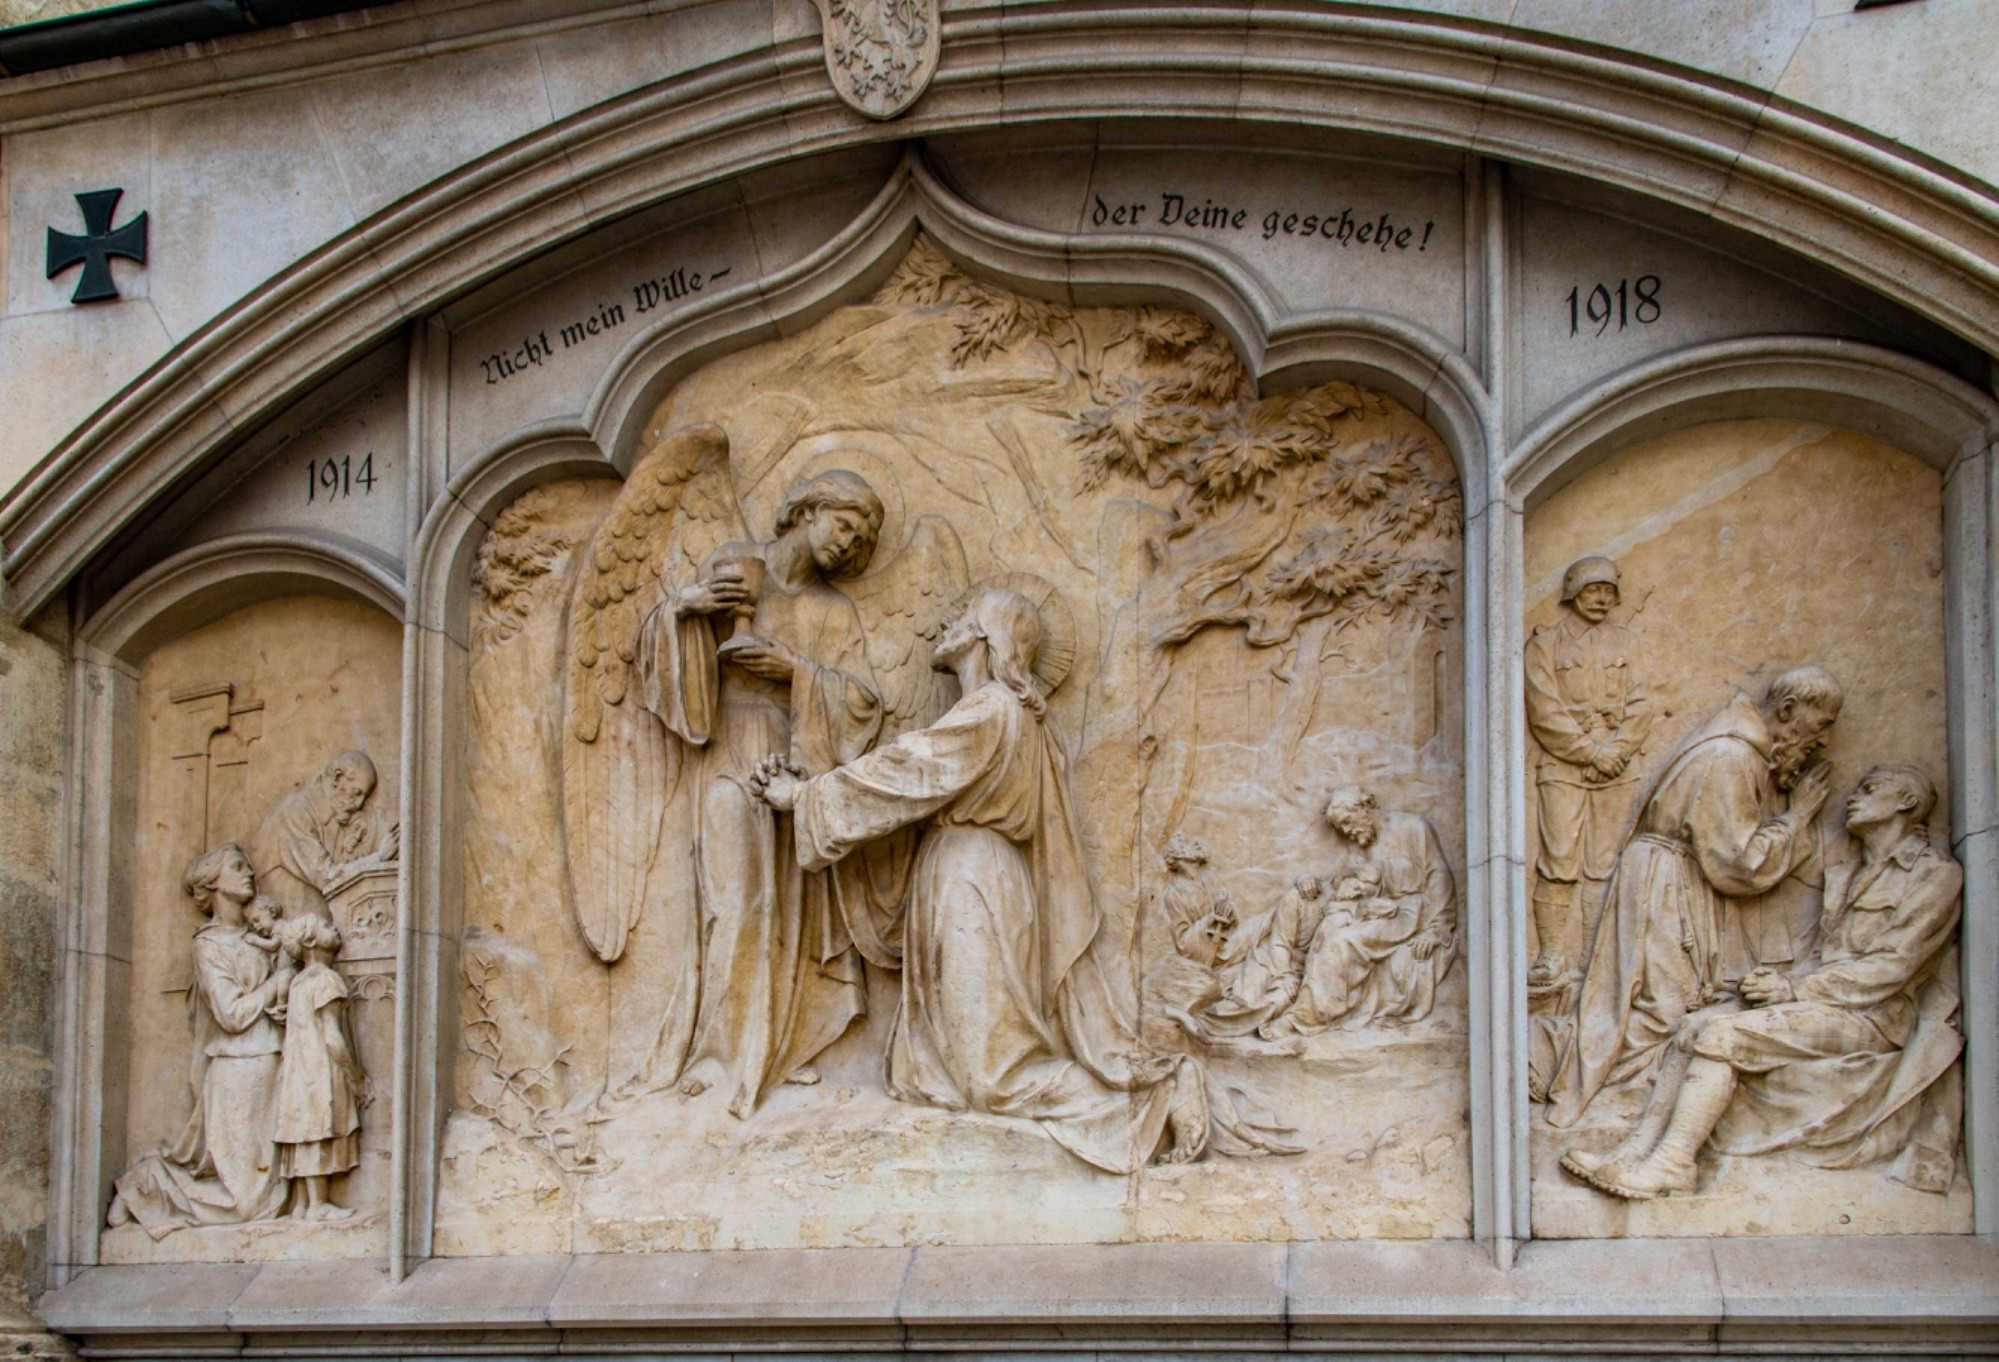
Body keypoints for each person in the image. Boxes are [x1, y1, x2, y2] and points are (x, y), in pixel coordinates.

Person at [752, 587, 1295, 1171]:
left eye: (965, 616)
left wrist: (805, 796)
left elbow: (910, 771)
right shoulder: (1015, 715)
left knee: (993, 1073)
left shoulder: (991, 709)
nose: (950, 621)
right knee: (963, 1066)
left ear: (987, 637)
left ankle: (1154, 1102)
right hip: (974, 878)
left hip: (973, 883)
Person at [1565, 765, 1963, 1198]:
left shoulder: (1935, 875)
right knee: (1693, 1027)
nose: (1853, 796)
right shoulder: (1848, 873)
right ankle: (1634, 1154)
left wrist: (1793, 989)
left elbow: (1893, 967)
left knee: (1722, 1033)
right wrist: (1774, 981)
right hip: (1827, 1004)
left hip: (1874, 1018)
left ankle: (1674, 1164)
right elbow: (1824, 960)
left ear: (1906, 803)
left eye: (1870, 789)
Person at [636, 470, 888, 1117]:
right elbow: (664, 646)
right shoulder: (735, 565)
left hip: (795, 760)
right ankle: (719, 1053)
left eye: (859, 539)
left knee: (790, 911)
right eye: (843, 524)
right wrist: (689, 608)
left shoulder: (834, 612)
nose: (847, 544)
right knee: (737, 899)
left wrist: (796, 671)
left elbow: (862, 701)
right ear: (805, 512)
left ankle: (781, 1047)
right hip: (729, 748)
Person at [1546, 664, 1842, 1128]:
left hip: (1674, 877)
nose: (1823, 740)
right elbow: (1738, 863)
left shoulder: (1742, 752)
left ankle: (1634, 1113)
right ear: (1788, 710)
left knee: (1666, 1001)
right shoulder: (1730, 755)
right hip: (1666, 884)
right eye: (1822, 723)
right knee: (1661, 1007)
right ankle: (1611, 1113)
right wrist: (1797, 819)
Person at [108, 845, 293, 1237]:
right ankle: (145, 1188)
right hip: (237, 1069)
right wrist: (276, 986)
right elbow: (231, 1014)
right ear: (213, 883)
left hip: (272, 1059)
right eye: (237, 868)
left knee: (273, 1195)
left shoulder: (259, 937)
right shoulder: (208, 945)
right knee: (248, 1203)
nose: (250, 874)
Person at [1526, 556, 1650, 992]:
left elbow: (1640, 705)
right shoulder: (1546, 644)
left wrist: (1614, 751)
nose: (1601, 598)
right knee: (1559, 860)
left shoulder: (1628, 643)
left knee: (1605, 864)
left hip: (1618, 765)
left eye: (1608, 591)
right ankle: (1552, 957)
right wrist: (1590, 753)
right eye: (1593, 589)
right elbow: (1544, 712)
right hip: (1563, 764)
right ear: (1573, 592)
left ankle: (1593, 958)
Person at [1268, 787, 1457, 1033]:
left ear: (1365, 807)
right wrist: (1306, 879)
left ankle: (1305, 1017)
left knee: (1342, 941)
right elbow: (1336, 879)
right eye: (1341, 829)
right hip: (1374, 912)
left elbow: (1439, 879)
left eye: (1347, 821)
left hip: (1408, 917)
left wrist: (1436, 930)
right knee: (1329, 928)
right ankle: (1310, 1006)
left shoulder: (1414, 828)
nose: (1347, 831)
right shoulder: (1362, 843)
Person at [272, 916, 363, 1220]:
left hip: (298, 1072)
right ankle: (319, 1205)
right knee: (317, 1133)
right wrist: (357, 1080)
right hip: (320, 1070)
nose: (335, 927)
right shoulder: (326, 979)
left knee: (305, 1131)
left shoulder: (298, 981)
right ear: (310, 941)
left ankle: (300, 1205)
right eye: (325, 926)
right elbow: (334, 1039)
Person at [249, 751, 398, 923]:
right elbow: (328, 876)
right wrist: (379, 858)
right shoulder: (296, 812)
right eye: (356, 793)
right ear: (338, 777)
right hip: (288, 928)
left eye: (363, 797)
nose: (358, 804)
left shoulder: (330, 814)